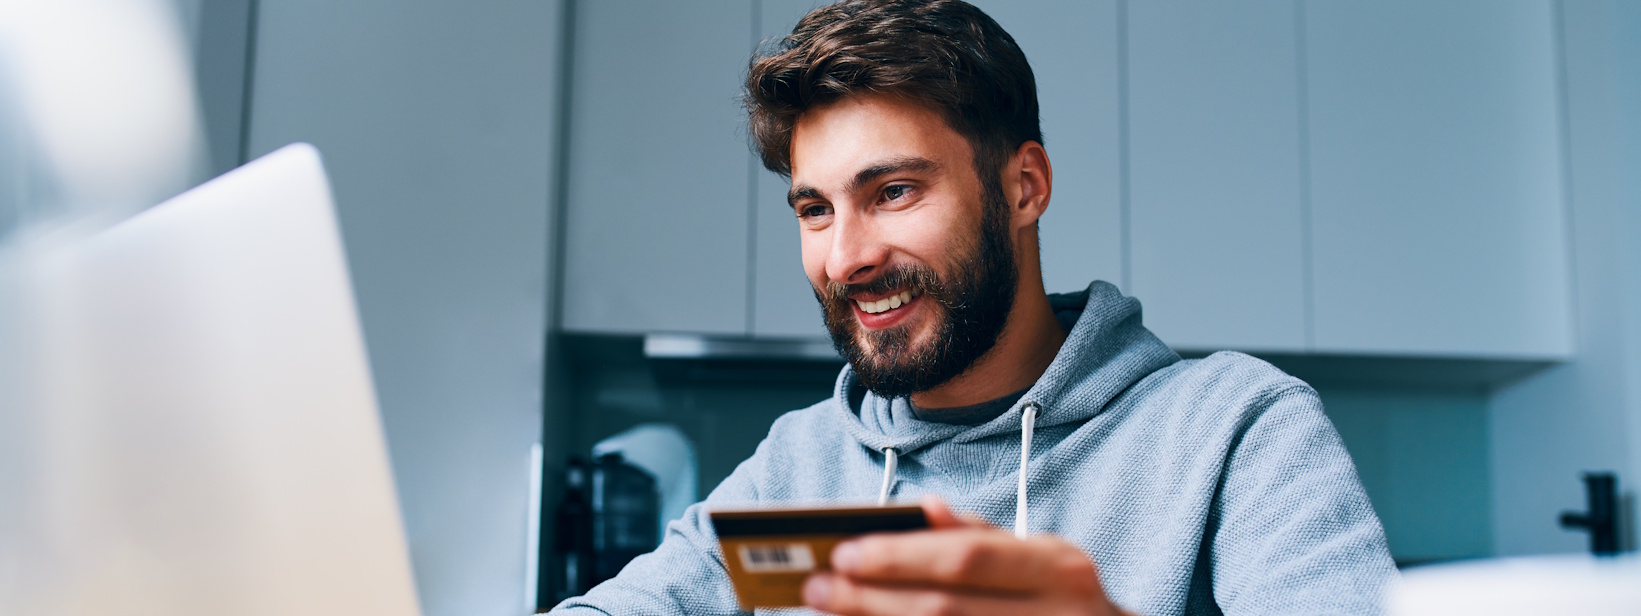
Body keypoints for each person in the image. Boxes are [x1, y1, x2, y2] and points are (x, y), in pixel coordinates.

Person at [551, 0, 1396, 614]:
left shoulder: (1236, 430)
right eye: (815, 209)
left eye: (893, 191)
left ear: (1022, 187)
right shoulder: (799, 465)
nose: (846, 257)